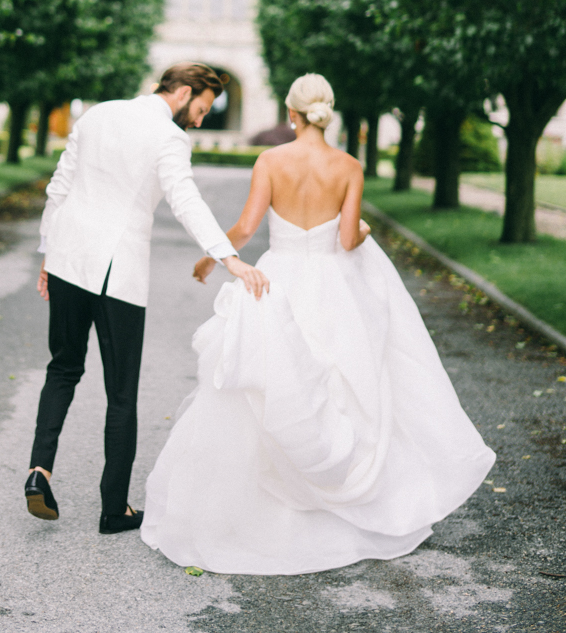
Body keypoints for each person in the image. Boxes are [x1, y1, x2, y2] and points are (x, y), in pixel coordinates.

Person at [141, 73, 495, 574]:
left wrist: (211, 257)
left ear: (291, 113)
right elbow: (348, 240)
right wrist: (365, 225)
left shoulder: (271, 161)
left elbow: (244, 227)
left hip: (279, 280)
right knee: (346, 384)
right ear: (327, 111)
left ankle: (253, 509)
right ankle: (350, 505)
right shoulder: (348, 166)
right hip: (335, 289)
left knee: (269, 387)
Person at [25, 63, 269, 535]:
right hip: (118, 275)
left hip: (68, 260)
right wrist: (229, 258)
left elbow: (61, 186)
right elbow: (186, 199)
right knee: (121, 392)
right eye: (199, 109)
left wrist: (48, 252)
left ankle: (39, 470)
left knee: (62, 367)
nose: (199, 120)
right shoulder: (169, 138)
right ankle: (114, 509)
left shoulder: (97, 116)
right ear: (182, 92)